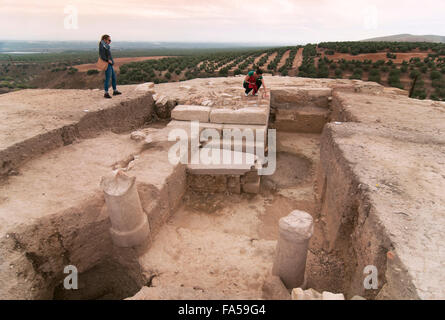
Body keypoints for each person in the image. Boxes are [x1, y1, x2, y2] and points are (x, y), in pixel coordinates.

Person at [99, 34, 121, 99]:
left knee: (114, 77)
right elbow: (102, 56)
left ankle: (115, 91)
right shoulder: (102, 46)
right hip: (107, 64)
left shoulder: (105, 46)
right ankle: (106, 93)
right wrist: (108, 60)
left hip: (110, 64)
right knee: (108, 79)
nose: (110, 41)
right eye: (109, 40)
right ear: (104, 40)